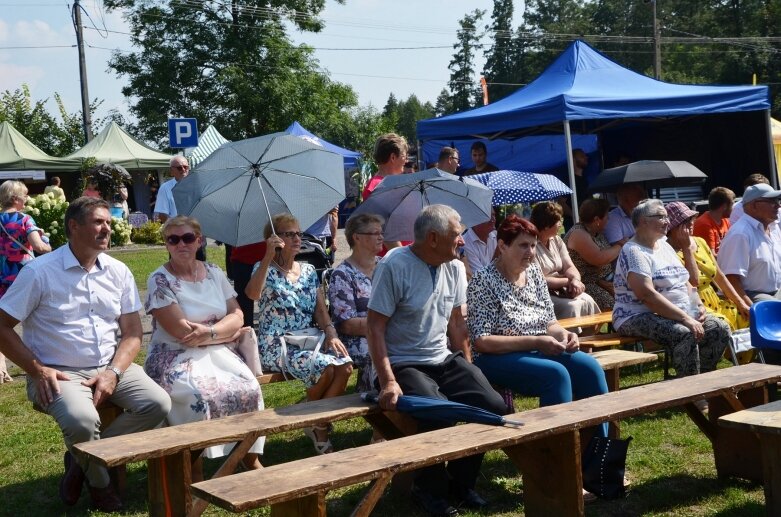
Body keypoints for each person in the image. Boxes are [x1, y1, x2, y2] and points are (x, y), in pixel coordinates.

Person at [0, 197, 170, 511]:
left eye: (108, 221)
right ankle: (101, 485)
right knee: (81, 420)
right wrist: (37, 370)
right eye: (98, 222)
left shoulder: (118, 271)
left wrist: (114, 371)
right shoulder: (40, 272)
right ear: (73, 227)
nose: (107, 228)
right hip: (56, 372)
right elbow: (2, 325)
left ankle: (80, 460)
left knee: (157, 404)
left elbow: (133, 333)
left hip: (110, 365)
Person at [367, 204, 507, 516]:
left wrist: (469, 367)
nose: (463, 241)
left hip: (442, 358)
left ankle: (460, 483)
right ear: (433, 238)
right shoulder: (394, 265)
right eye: (457, 235)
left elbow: (457, 324)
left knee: (493, 406)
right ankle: (428, 490)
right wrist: (388, 380)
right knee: (438, 411)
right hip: (403, 362)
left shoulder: (455, 267)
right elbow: (374, 327)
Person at [467, 214, 608, 433]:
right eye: (523, 246)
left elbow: (549, 321)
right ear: (503, 246)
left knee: (589, 368)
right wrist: (536, 341)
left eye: (533, 246)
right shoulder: (483, 281)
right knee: (555, 374)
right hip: (495, 357)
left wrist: (564, 335)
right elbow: (482, 342)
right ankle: (556, 453)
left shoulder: (533, 273)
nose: (531, 252)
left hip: (538, 348)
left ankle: (598, 452)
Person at [144, 216, 264, 469]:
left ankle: (247, 457)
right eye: (172, 239)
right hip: (175, 355)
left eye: (187, 238)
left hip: (218, 352)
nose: (181, 244)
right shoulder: (159, 279)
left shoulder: (214, 272)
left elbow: (238, 315)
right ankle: (190, 464)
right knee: (199, 395)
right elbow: (181, 332)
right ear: (166, 244)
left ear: (199, 241)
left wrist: (210, 333)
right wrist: (224, 331)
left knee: (249, 389)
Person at [246, 213, 353, 455]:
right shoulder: (264, 269)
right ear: (275, 238)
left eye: (298, 233)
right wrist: (267, 257)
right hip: (277, 344)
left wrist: (332, 334)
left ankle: (313, 416)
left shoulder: (307, 270)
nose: (297, 238)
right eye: (290, 233)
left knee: (345, 366)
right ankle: (320, 427)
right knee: (326, 368)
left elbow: (320, 308)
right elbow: (252, 294)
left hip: (310, 339)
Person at [613, 199, 730, 378]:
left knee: (718, 327)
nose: (668, 221)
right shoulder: (633, 251)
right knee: (684, 333)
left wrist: (696, 305)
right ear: (644, 221)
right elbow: (646, 295)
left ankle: (705, 381)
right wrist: (686, 318)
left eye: (667, 217)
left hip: (674, 311)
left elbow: (686, 281)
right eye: (661, 217)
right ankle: (691, 392)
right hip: (635, 315)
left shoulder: (665, 245)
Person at [665, 202, 749, 331]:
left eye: (691, 219)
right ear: (672, 228)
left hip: (714, 299)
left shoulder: (700, 242)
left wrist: (741, 303)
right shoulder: (667, 251)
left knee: (745, 317)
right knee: (721, 325)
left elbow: (720, 277)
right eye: (684, 221)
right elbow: (693, 281)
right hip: (693, 303)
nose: (691, 223)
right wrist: (686, 248)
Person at [0, 181, 51, 382]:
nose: (27, 199)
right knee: (36, 320)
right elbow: (39, 247)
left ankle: (2, 369)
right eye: (25, 195)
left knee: (2, 323)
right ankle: (40, 364)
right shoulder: (24, 219)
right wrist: (47, 242)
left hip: (2, 277)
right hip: (24, 276)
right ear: (15, 198)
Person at [327, 214, 384, 393]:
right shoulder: (343, 275)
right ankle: (374, 399)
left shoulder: (386, 266)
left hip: (386, 331)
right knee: (378, 352)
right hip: (357, 339)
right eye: (375, 233)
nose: (381, 237)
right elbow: (347, 325)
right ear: (357, 237)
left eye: (381, 232)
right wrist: (389, 324)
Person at [530, 201, 600, 319]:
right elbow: (540, 280)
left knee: (588, 301)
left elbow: (569, 266)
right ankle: (567, 337)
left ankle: (588, 337)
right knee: (572, 307)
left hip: (562, 290)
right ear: (547, 225)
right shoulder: (530, 245)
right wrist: (569, 281)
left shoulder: (556, 240)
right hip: (541, 294)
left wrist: (576, 280)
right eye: (559, 221)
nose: (560, 225)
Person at [718, 183, 781, 304]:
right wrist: (750, 308)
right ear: (753, 205)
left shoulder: (773, 229)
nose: (778, 205)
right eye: (771, 201)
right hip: (753, 296)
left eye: (777, 200)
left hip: (776, 293)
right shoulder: (740, 234)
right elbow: (731, 279)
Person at [563, 198, 622, 310]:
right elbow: (599, 259)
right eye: (606, 217)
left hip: (604, 281)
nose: (608, 219)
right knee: (614, 306)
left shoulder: (595, 232)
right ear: (597, 219)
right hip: (586, 284)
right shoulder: (579, 233)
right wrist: (620, 246)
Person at [363, 133, 409, 253]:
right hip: (393, 263)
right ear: (393, 157)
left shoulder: (386, 184)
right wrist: (406, 262)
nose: (406, 160)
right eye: (404, 156)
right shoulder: (379, 187)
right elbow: (388, 234)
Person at [693, 187, 734, 254]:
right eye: (732, 204)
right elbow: (711, 257)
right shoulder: (704, 225)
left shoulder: (725, 221)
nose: (733, 208)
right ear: (724, 206)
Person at [559, 148, 590, 229]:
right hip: (574, 225)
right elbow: (561, 202)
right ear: (573, 159)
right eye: (582, 156)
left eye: (585, 156)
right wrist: (575, 216)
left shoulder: (585, 179)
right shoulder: (569, 180)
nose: (585, 158)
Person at [461, 209, 497, 279]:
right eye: (489, 216)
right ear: (476, 220)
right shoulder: (464, 243)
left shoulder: (495, 236)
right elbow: (482, 278)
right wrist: (497, 253)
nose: (493, 219)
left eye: (494, 215)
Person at [154, 155, 190, 223]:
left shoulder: (196, 185)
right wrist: (177, 227)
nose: (183, 169)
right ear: (171, 170)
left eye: (185, 167)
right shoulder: (165, 188)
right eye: (179, 168)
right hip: (178, 230)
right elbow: (162, 214)